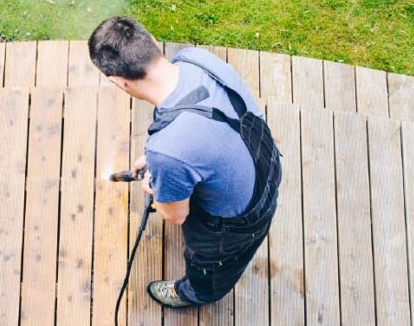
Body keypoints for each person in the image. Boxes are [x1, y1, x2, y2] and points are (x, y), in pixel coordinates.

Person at [88, 16, 282, 307]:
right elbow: (197, 136)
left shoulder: (168, 152)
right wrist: (166, 161)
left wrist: (160, 181)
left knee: (211, 267)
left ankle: (196, 293)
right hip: (264, 164)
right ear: (152, 40)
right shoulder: (195, 59)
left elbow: (175, 216)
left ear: (119, 82)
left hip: (238, 223)